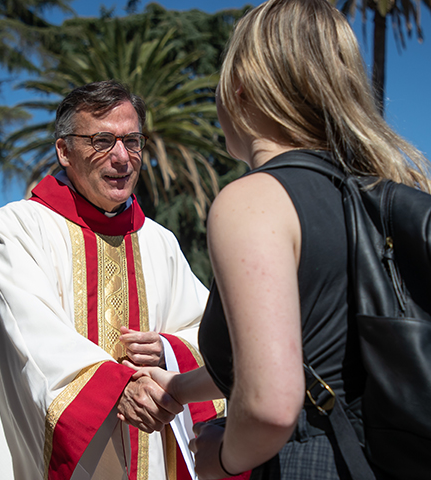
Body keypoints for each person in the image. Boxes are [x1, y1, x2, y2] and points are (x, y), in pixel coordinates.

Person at [130, 1, 431, 479]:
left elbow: (271, 404)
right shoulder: (368, 193)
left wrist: (223, 457)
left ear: (242, 91)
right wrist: (179, 389)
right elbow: (306, 355)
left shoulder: (252, 201)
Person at [0, 80, 221, 480]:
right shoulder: (20, 227)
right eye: (102, 140)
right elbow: (30, 336)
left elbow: (209, 332)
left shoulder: (159, 242)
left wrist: (167, 349)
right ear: (64, 151)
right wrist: (116, 387)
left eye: (133, 141)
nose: (122, 157)